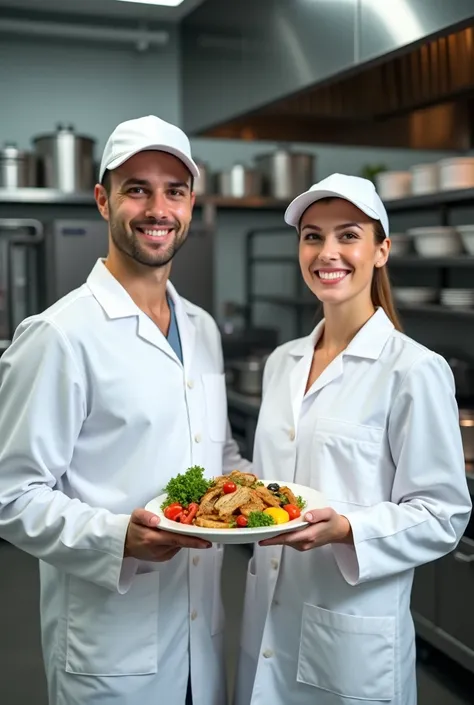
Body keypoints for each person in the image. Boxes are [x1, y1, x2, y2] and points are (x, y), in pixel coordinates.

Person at [0, 115, 250, 705]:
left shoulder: (203, 328)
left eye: (175, 191)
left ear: (191, 204)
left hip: (201, 639)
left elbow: (215, 450)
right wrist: (117, 537)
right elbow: (11, 495)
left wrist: (253, 494)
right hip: (111, 652)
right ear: (102, 199)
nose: (158, 208)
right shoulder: (59, 335)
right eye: (137, 188)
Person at [234, 173, 472, 705]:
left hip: (351, 639)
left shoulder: (413, 370)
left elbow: (443, 514)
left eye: (348, 235)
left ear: (381, 250)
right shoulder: (283, 362)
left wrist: (346, 530)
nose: (327, 252)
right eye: (312, 236)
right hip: (266, 618)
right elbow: (277, 479)